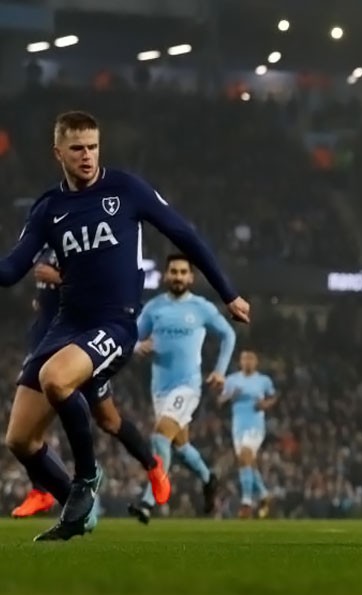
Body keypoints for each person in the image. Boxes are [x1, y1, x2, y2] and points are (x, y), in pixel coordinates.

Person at [0, 110, 250, 541]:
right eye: (77, 148)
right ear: (57, 152)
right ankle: (81, 510)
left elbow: (184, 234)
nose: (87, 156)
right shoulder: (49, 209)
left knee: (57, 382)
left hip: (114, 322)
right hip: (67, 324)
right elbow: (10, 270)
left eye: (93, 146)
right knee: (20, 440)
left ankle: (86, 477)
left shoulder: (125, 189)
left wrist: (228, 292)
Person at [11, 250, 170, 518]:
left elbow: (105, 290)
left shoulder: (86, 241)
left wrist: (59, 279)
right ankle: (42, 490)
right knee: (26, 428)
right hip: (46, 342)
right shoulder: (44, 237)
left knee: (109, 420)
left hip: (82, 344)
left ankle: (152, 465)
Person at [128, 253, 236, 524]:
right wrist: (137, 346)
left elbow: (228, 334)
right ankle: (209, 479)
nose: (177, 276)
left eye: (182, 272)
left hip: (188, 386)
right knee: (180, 445)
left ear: (191, 277)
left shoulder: (201, 308)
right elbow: (130, 337)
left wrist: (220, 371)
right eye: (173, 272)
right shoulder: (154, 308)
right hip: (159, 388)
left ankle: (149, 500)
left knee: (160, 437)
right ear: (166, 276)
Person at [220, 351, 277, 518]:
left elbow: (273, 397)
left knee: (246, 455)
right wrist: (231, 395)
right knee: (247, 462)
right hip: (238, 426)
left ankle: (246, 503)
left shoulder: (263, 380)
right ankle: (264, 495)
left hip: (255, 425)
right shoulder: (231, 380)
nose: (247, 362)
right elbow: (220, 401)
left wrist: (265, 404)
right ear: (240, 362)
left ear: (256, 362)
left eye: (251, 359)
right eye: (244, 359)